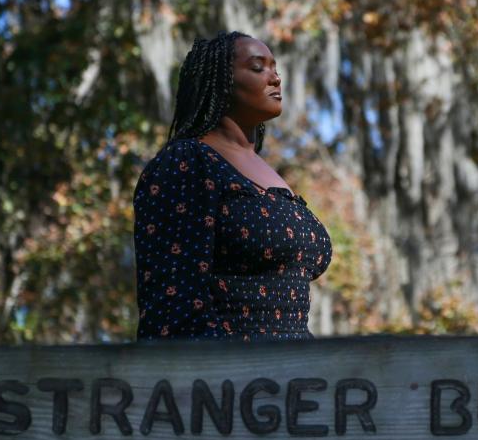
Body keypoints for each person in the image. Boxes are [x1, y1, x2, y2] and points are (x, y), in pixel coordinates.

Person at [133, 30, 333, 342]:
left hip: (300, 373)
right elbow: (174, 305)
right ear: (220, 82)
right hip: (233, 375)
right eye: (257, 68)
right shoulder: (188, 162)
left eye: (275, 68)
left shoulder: (267, 171)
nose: (275, 78)